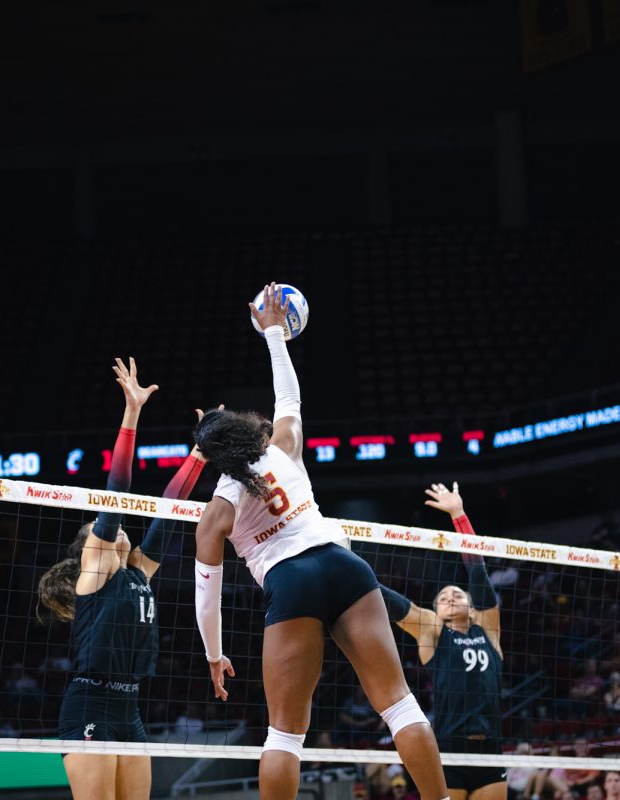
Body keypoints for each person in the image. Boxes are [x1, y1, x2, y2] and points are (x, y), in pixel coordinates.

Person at [191, 284, 448, 800]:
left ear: (210, 457)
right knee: (400, 705)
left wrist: (214, 655)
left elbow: (207, 596)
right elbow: (289, 397)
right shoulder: (282, 449)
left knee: (285, 732)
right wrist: (273, 336)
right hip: (344, 565)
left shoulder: (216, 512)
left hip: (292, 582)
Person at [37, 358, 209, 800]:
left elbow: (170, 512)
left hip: (130, 705)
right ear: (92, 542)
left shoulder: (139, 573)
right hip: (89, 704)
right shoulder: (95, 572)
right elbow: (116, 493)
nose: (119, 527)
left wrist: (200, 454)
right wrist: (132, 411)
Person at [376, 482, 506, 800]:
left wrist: (459, 514)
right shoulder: (432, 632)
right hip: (448, 749)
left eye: (456, 594)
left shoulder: (488, 630)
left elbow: (478, 573)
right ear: (436, 611)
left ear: (472, 608)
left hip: (490, 749)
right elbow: (393, 603)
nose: (449, 596)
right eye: (442, 597)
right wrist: (353, 571)